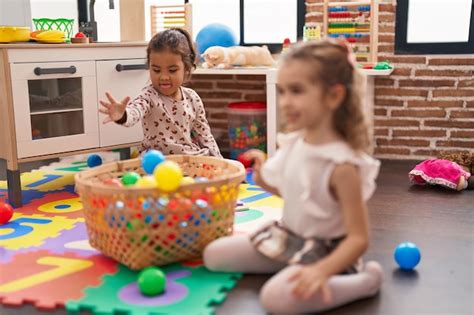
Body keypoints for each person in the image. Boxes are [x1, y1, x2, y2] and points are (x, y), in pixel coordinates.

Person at [203, 38, 383, 313]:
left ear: (334, 96)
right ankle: (289, 262)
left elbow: (359, 238)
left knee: (275, 299)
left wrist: (321, 271)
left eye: (297, 91)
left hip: (328, 253)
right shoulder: (296, 143)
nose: (285, 102)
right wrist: (263, 180)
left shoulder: (342, 165)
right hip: (289, 236)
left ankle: (365, 282)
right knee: (213, 256)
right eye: (283, 91)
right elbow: (297, 195)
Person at [99, 28, 221, 157]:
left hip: (188, 159)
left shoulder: (192, 98)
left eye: (172, 70)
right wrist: (122, 115)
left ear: (186, 68)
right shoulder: (149, 95)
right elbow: (134, 112)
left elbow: (205, 136)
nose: (163, 77)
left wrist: (222, 163)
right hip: (156, 161)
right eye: (156, 70)